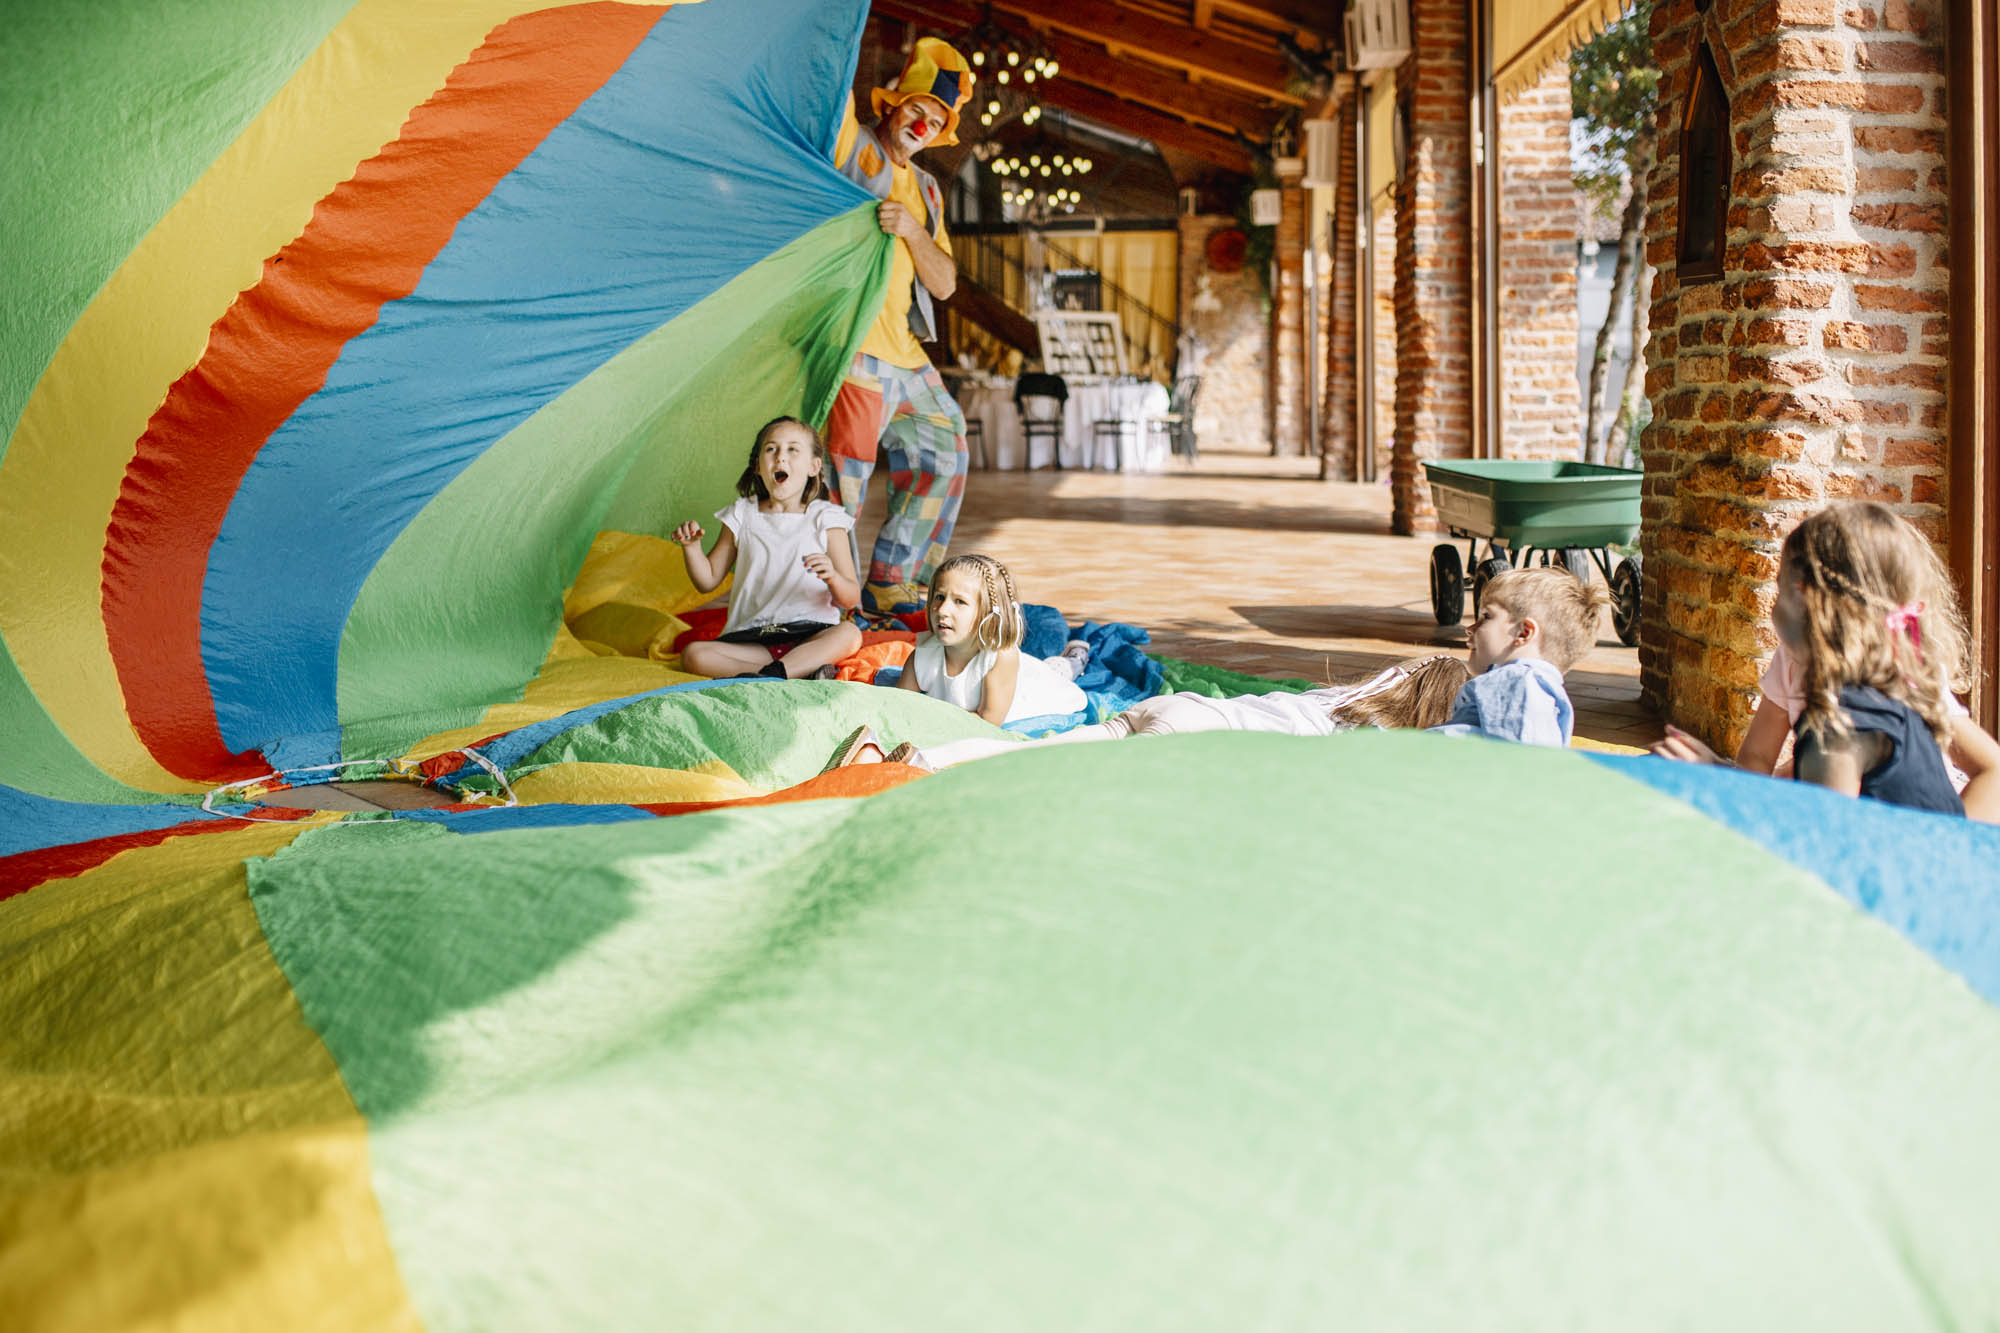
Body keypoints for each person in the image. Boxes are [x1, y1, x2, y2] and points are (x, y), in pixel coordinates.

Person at [1653, 502, 2000, 819]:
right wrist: (1718, 770)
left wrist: (1951, 841)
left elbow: (1824, 836)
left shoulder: (1844, 725)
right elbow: (1760, 763)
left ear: (1807, 599)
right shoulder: (1809, 678)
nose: (1771, 607)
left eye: (1779, 588)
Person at [825, 37, 976, 624]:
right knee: (844, 485)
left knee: (945, 447)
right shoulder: (857, 150)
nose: (923, 123)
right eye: (917, 108)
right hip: (856, 347)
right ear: (891, 105)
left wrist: (914, 231)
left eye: (936, 121)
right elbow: (830, 102)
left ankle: (891, 580)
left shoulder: (931, 193)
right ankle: (828, 601)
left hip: (908, 356)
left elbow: (944, 284)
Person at [827, 653, 1472, 772]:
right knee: (1040, 774)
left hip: (1175, 708)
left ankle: (919, 759)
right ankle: (922, 767)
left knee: (1035, 754)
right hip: (1188, 740)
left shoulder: (1329, 700)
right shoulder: (1370, 735)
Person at [674, 417, 863, 680]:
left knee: (850, 634)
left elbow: (851, 597)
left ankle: (775, 674)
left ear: (813, 466)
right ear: (757, 466)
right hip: (754, 642)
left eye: (792, 449)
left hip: (810, 636)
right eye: (771, 449)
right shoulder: (741, 514)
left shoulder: (826, 518)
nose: (780, 458)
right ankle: (789, 673)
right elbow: (707, 580)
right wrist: (692, 548)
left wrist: (832, 575)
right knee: (694, 655)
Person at [896, 554, 1088, 726]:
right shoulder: (922, 655)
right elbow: (899, 704)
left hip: (1031, 691)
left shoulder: (1001, 657)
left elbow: (988, 722)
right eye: (939, 597)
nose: (943, 610)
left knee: (1056, 673)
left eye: (959, 601)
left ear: (989, 614)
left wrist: (928, 721)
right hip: (1005, 683)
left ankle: (1075, 659)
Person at [1430, 565, 1611, 747]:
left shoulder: (1517, 680)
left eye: (1487, 616)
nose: (1470, 629)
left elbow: (1518, 757)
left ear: (1523, 633)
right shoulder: (1531, 686)